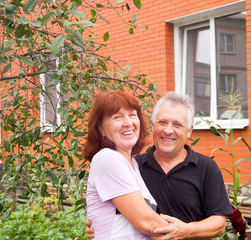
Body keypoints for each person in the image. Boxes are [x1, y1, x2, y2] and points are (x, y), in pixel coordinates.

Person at [86, 91, 232, 239]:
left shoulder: (206, 167)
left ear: (189, 131)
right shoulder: (136, 165)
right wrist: (101, 225)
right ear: (152, 125)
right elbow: (144, 221)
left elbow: (219, 224)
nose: (168, 130)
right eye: (162, 122)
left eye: (177, 124)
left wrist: (186, 230)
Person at [83, 91, 169, 239]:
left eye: (132, 115)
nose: (128, 123)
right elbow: (148, 222)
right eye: (117, 117)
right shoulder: (107, 158)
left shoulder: (134, 164)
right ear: (101, 129)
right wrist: (184, 232)